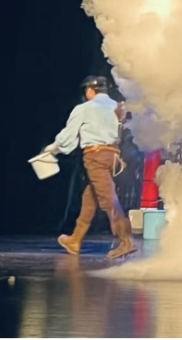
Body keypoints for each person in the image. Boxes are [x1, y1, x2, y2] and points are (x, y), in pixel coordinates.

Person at [42, 75, 136, 259]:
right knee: (90, 197)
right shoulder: (117, 106)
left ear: (90, 91)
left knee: (108, 199)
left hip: (95, 157)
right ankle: (75, 240)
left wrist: (53, 148)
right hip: (114, 158)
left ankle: (126, 240)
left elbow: (68, 136)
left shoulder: (84, 108)